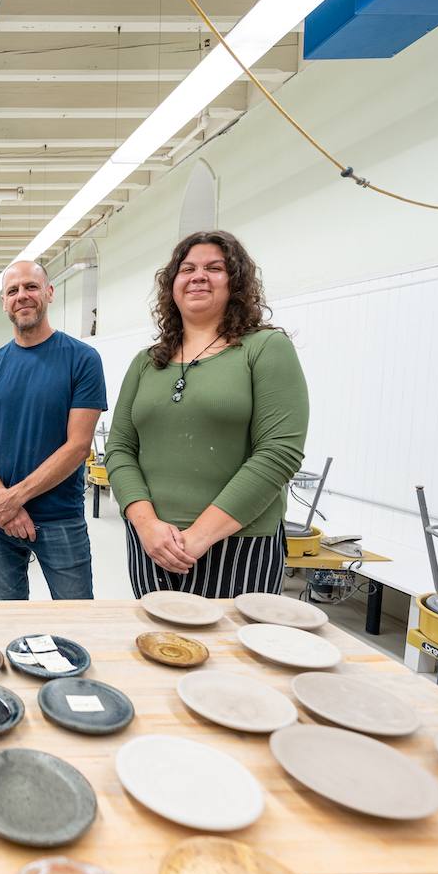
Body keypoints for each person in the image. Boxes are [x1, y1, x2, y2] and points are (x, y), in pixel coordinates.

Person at [105, 230, 308, 599]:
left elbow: (279, 453)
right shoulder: (146, 363)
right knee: (163, 648)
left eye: (215, 268)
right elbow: (119, 449)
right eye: (188, 269)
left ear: (237, 283)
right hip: (152, 543)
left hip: (239, 543)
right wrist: (146, 524)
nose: (199, 276)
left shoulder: (264, 349)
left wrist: (198, 537)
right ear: (172, 285)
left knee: (230, 653)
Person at [0, 260, 107, 600]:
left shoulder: (82, 359)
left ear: (49, 292)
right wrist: (4, 503)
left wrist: (15, 498)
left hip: (60, 519)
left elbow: (78, 446)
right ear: (4, 303)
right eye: (12, 291)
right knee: (9, 617)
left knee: (75, 618)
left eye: (30, 287)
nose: (22, 296)